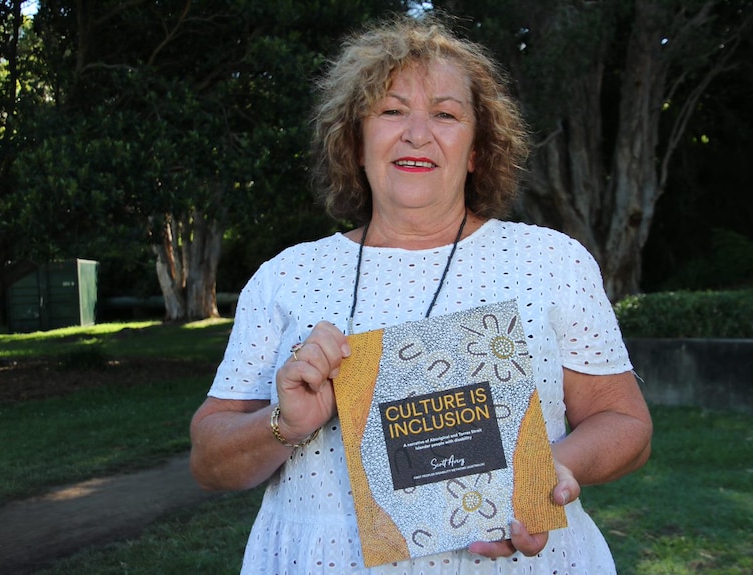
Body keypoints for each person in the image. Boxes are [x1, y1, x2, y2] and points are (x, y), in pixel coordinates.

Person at [190, 14, 652, 574]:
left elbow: (626, 424)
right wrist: (284, 424)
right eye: (390, 110)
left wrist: (549, 472)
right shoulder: (287, 277)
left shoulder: (549, 261)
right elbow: (210, 463)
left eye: (446, 113)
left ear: (478, 148)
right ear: (355, 142)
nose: (416, 132)